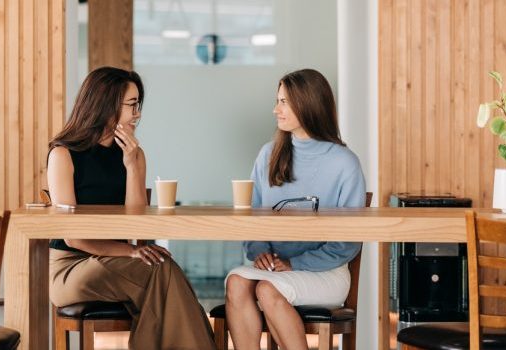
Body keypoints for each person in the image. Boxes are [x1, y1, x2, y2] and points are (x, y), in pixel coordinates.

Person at [46, 66, 215, 350]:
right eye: (132, 105)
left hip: (118, 262)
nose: (137, 114)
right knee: (161, 272)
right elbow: (73, 237)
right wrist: (130, 251)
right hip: (70, 268)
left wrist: (133, 167)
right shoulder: (63, 154)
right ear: (106, 103)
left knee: (161, 275)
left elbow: (137, 226)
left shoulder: (133, 154)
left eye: (139, 105)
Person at [224, 68, 365, 350]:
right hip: (275, 269)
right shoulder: (269, 154)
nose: (275, 109)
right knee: (237, 282)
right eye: (277, 101)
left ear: (308, 104)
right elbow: (253, 216)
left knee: (267, 289)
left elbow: (348, 243)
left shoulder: (344, 163)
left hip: (327, 273)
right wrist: (259, 251)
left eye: (284, 102)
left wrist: (294, 265)